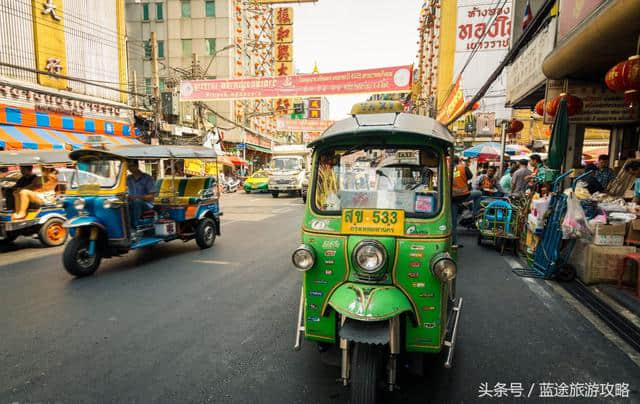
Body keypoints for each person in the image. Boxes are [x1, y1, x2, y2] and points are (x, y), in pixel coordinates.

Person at [451, 156, 482, 246]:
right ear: (459, 161)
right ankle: (474, 214)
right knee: (479, 193)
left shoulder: (447, 169)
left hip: (452, 198)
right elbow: (470, 177)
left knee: (453, 223)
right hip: (463, 195)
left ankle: (454, 243)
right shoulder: (463, 167)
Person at [126, 160, 155, 228]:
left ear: (137, 166)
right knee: (122, 204)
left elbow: (151, 196)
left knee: (136, 202)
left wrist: (136, 197)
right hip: (132, 202)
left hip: (147, 204)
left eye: (131, 166)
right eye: (128, 166)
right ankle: (125, 226)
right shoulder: (128, 178)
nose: (129, 168)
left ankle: (135, 226)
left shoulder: (147, 178)